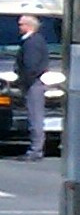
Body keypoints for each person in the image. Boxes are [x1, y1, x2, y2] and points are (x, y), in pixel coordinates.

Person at [15, 14, 48, 159]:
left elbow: (31, 65)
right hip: (34, 82)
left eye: (21, 24)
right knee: (35, 116)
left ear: (29, 26)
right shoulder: (35, 40)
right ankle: (36, 148)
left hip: (33, 84)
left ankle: (36, 150)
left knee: (35, 116)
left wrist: (24, 80)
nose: (19, 27)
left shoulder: (32, 42)